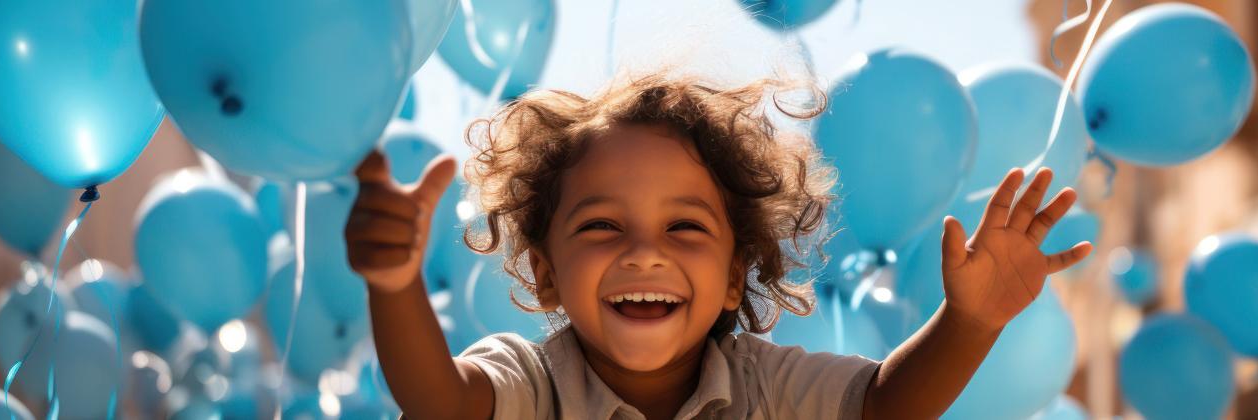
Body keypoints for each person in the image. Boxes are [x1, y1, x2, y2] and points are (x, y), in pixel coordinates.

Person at [344, 73, 1093, 419]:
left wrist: (971, 323)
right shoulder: (533, 383)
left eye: (685, 227)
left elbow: (888, 408)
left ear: (736, 277)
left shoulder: (765, 386)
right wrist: (394, 281)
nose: (645, 252)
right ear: (545, 276)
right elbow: (439, 401)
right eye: (603, 226)